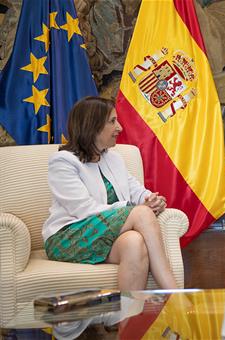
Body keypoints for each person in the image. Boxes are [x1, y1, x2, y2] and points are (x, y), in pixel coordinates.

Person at [42, 96, 176, 290]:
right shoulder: (63, 162)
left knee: (134, 242)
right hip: (68, 237)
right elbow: (84, 210)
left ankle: (128, 317)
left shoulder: (114, 158)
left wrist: (152, 200)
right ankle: (173, 293)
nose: (120, 128)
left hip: (105, 235)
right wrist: (137, 210)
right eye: (112, 121)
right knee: (141, 213)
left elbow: (136, 190)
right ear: (93, 126)